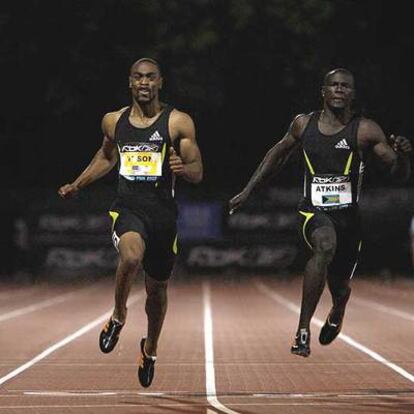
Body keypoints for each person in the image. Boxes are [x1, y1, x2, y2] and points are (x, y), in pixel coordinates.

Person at [229, 68, 411, 357]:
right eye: (333, 85)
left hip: (349, 219)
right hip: (313, 212)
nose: (339, 90)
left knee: (339, 286)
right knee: (324, 247)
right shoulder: (303, 124)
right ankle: (303, 330)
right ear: (323, 91)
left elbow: (398, 174)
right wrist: (248, 191)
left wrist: (404, 156)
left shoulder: (365, 130)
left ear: (352, 94)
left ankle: (338, 308)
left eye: (345, 86)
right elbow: (275, 155)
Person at [58, 57, 203, 385]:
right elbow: (106, 156)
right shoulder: (113, 121)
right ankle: (119, 314)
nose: (144, 83)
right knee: (131, 255)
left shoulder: (177, 122)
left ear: (160, 82)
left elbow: (197, 169)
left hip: (163, 217)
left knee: (157, 291)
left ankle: (149, 348)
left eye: (151, 77)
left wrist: (185, 170)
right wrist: (77, 184)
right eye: (138, 77)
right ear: (130, 82)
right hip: (128, 209)